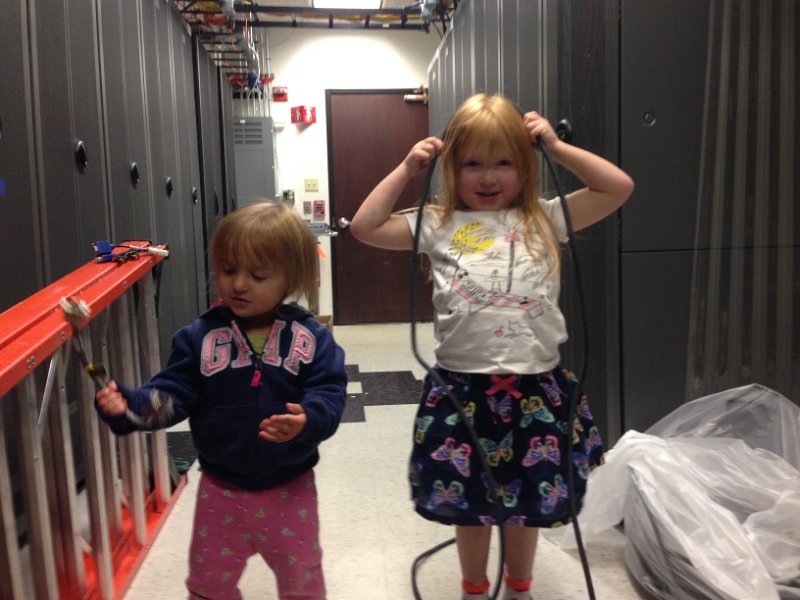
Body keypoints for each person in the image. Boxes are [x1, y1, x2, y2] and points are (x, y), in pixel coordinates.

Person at [349, 93, 634, 600]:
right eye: (472, 164)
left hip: (536, 390)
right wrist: (406, 168)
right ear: (450, 169)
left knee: (528, 505)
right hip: (462, 393)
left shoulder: (546, 217)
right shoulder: (438, 223)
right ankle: (474, 589)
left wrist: (556, 147)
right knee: (471, 505)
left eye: (504, 163)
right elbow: (365, 226)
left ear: (526, 166)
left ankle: (520, 588)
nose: (488, 177)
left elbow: (617, 187)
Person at [95, 201, 347, 600]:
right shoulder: (198, 337)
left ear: (290, 279)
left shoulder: (311, 337)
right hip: (220, 492)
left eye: (257, 275)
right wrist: (132, 406)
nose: (239, 284)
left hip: (290, 490)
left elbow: (329, 392)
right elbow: (172, 395)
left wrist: (308, 420)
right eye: (229, 271)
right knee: (209, 583)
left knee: (302, 580)